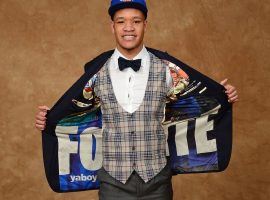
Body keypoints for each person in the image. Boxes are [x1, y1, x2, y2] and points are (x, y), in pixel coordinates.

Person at [35, 1, 238, 199]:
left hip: (157, 181)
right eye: (121, 21)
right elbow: (74, 111)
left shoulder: (167, 69)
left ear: (145, 25)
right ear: (112, 27)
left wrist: (222, 94)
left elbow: (197, 99)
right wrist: (48, 119)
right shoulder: (95, 73)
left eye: (136, 21)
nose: (129, 28)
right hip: (113, 183)